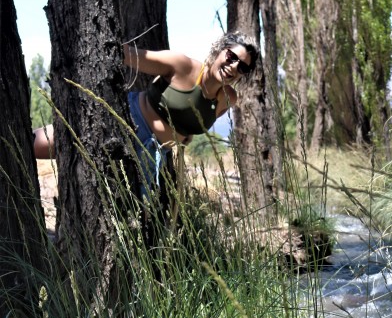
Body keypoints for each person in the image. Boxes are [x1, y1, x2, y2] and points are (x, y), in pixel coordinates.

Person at [33, 30, 258, 199]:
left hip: (150, 159)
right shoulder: (181, 65)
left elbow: (195, 121)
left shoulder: (228, 97)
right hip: (125, 124)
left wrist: (184, 135)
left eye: (243, 67)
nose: (234, 67)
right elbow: (127, 55)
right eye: (231, 57)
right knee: (42, 144)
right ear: (219, 50)